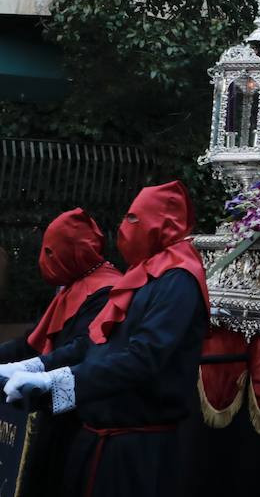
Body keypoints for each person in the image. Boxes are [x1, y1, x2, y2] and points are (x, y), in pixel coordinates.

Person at [0, 181, 208, 497]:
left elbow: (142, 358)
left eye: (134, 218)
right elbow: (96, 342)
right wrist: (33, 366)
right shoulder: (144, 274)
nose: (125, 227)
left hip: (135, 450)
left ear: (162, 223)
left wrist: (57, 382)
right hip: (99, 439)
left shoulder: (178, 279)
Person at [0, 209, 121, 495]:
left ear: (75, 252)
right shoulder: (72, 285)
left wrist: (33, 369)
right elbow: (33, 340)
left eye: (52, 253)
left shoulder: (106, 289)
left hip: (76, 409)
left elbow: (81, 348)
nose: (45, 261)